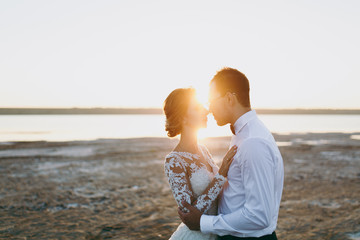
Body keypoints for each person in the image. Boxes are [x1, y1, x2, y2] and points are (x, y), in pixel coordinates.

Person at [178, 68, 284, 240]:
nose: (209, 109)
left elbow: (259, 216)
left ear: (229, 98)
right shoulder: (241, 134)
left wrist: (203, 223)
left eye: (211, 101)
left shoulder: (253, 142)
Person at [163, 87, 238, 240]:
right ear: (183, 117)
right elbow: (189, 216)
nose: (206, 111)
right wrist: (221, 173)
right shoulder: (174, 161)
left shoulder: (203, 150)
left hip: (216, 232)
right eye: (198, 108)